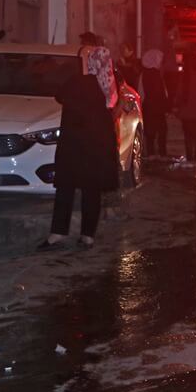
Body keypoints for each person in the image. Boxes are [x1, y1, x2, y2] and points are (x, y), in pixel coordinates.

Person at [39, 46, 119, 253]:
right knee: (91, 190)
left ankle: (58, 233)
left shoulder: (79, 82)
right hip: (96, 145)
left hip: (75, 145)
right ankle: (87, 236)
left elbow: (60, 95)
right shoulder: (108, 84)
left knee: (66, 189)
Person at [175, 47, 196, 167]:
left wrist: (176, 105)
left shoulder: (185, 76)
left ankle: (190, 159)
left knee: (188, 135)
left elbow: (179, 93)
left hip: (186, 111)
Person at [140, 49, 169, 159]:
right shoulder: (156, 74)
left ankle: (151, 154)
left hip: (149, 108)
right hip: (158, 109)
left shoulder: (144, 74)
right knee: (161, 132)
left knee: (150, 133)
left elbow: (141, 92)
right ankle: (162, 154)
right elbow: (163, 93)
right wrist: (166, 107)